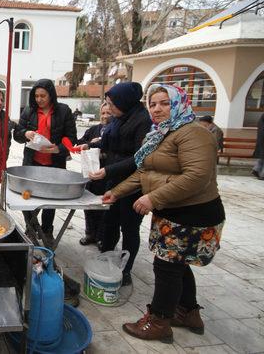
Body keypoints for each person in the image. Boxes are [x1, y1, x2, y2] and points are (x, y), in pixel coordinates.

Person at [103, 84, 225, 343]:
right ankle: (188, 312)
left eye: (164, 103)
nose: (157, 109)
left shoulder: (194, 133)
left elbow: (198, 176)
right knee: (177, 266)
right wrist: (117, 192)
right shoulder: (161, 134)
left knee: (167, 267)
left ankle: (159, 321)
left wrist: (153, 197)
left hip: (194, 213)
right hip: (173, 211)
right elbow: (144, 172)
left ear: (179, 103)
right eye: (152, 104)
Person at [87, 82, 152, 286]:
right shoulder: (118, 118)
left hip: (133, 183)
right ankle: (106, 259)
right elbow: (107, 141)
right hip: (113, 181)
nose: (110, 108)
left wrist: (108, 170)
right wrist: (88, 145)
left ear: (125, 101)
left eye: (112, 104)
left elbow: (138, 158)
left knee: (129, 227)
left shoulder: (143, 121)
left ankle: (125, 269)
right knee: (109, 222)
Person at [13, 79, 77, 237]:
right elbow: (17, 134)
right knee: (27, 197)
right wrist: (25, 133)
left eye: (43, 96)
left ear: (51, 95)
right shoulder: (29, 111)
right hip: (32, 163)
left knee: (49, 200)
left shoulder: (63, 111)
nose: (39, 99)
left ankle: (47, 230)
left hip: (54, 164)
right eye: (36, 96)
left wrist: (58, 149)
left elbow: (71, 138)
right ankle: (31, 227)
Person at [76, 102, 111, 246]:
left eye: (108, 113)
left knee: (104, 208)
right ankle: (90, 234)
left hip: (107, 175)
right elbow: (79, 143)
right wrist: (91, 143)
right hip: (91, 174)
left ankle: (102, 237)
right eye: (103, 113)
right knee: (89, 206)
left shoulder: (116, 131)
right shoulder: (93, 129)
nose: (105, 116)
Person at [251, 113, 264, 180]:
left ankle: (256, 170)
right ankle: (262, 175)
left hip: (261, 139)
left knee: (262, 157)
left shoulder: (261, 118)